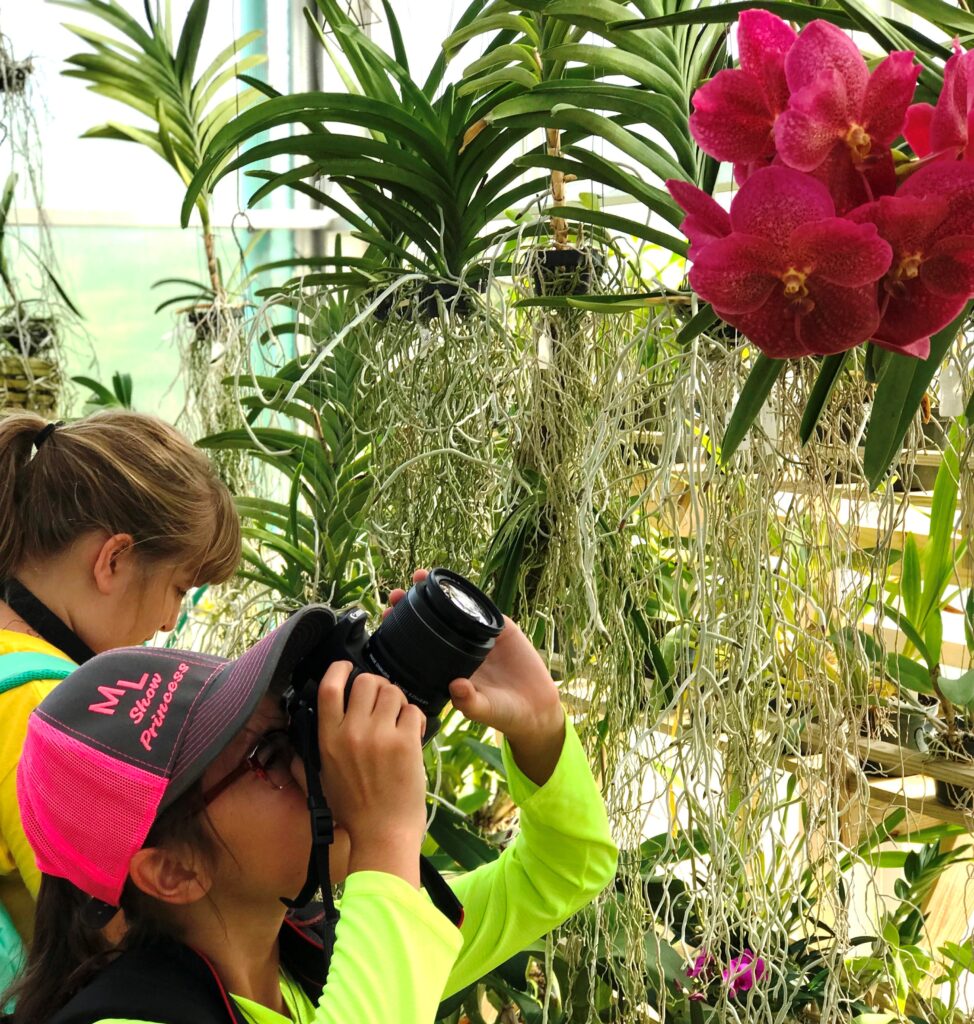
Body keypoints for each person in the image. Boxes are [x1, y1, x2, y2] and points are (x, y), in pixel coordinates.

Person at [8, 572, 618, 1023]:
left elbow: (561, 870)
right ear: (174, 871)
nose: (316, 760)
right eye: (272, 755)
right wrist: (385, 839)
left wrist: (540, 726)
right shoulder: (126, 1018)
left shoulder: (315, 959)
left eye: (292, 720)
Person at [0, 410, 241, 960]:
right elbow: (106, 950)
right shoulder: (45, 710)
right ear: (114, 559)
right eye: (179, 588)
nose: (169, 622)